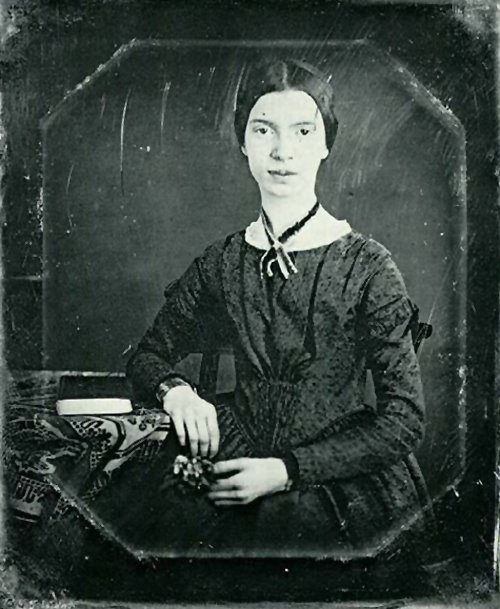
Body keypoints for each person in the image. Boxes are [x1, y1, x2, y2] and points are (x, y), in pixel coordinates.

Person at [120, 58, 431, 558]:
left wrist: (286, 471)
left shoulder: (368, 266)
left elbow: (404, 420)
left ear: (326, 143)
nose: (283, 151)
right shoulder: (222, 261)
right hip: (231, 460)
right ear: (243, 142)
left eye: (303, 131)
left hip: (336, 483)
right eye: (263, 129)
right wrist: (176, 392)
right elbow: (146, 356)